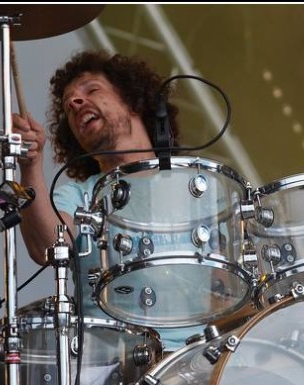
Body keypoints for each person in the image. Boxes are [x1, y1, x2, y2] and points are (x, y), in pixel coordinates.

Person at [14, 50, 199, 351]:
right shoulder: (78, 193)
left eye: (92, 90)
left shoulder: (196, 186)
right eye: (68, 103)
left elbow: (233, 291)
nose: (75, 103)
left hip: (196, 360)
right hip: (113, 369)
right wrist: (30, 166)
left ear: (134, 100)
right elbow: (48, 248)